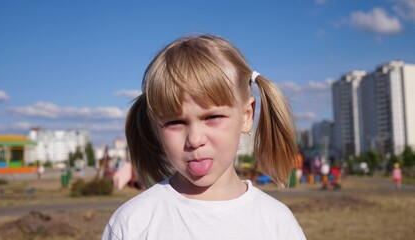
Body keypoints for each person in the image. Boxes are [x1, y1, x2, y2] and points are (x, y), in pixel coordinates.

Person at [102, 34, 306, 240]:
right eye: (175, 122)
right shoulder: (132, 224)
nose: (195, 139)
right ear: (155, 127)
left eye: (213, 117)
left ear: (246, 116)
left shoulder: (278, 224)